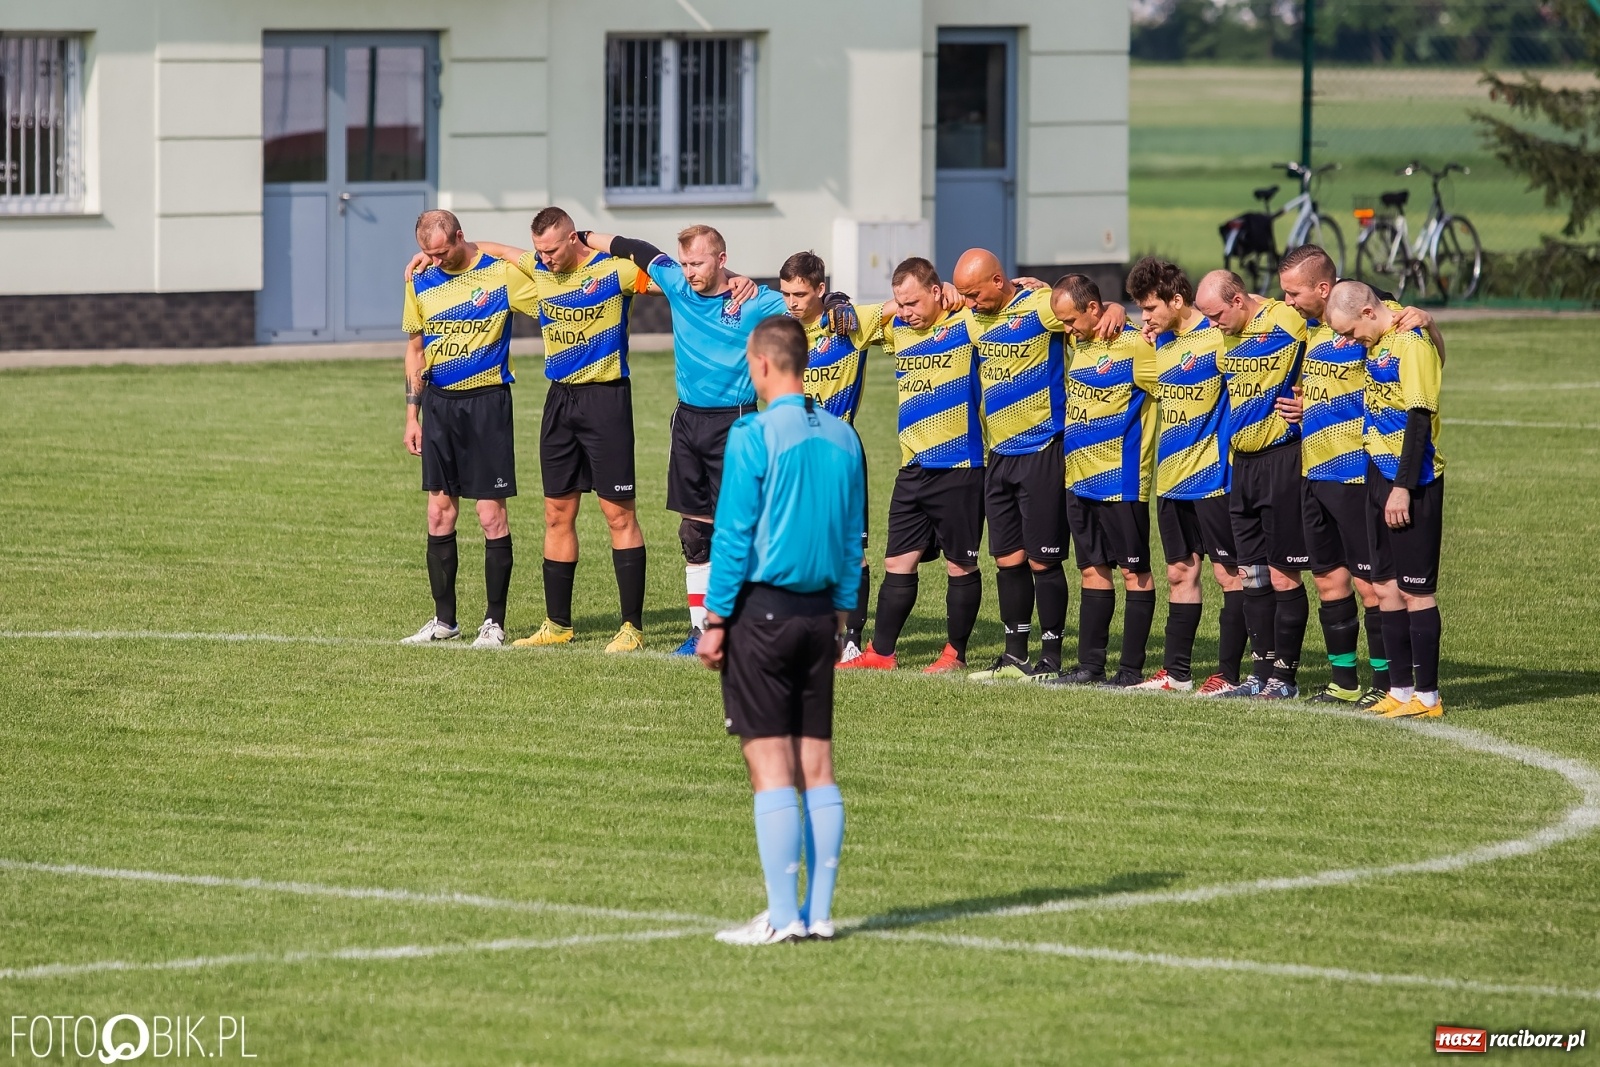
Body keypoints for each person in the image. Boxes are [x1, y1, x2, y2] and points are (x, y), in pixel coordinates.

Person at [406, 207, 653, 653]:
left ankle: (631, 627)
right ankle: (557, 624)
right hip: (558, 401)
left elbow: (671, 273)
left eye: (552, 249)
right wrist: (437, 256)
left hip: (606, 398)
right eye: (540, 251)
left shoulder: (612, 272)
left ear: (573, 239)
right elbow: (499, 251)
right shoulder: (537, 269)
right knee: (556, 513)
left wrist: (596, 237)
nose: (545, 258)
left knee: (618, 514)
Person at [697, 315, 866, 945]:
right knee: (817, 765)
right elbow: (851, 539)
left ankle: (782, 917)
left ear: (763, 364)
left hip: (763, 615)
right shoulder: (846, 437)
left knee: (770, 767)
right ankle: (818, 915)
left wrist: (716, 621)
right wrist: (841, 615)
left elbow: (733, 537)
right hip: (822, 616)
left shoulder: (752, 435)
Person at [579, 225, 795, 655]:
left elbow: (804, 305)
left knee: (740, 531)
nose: (690, 271)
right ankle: (701, 631)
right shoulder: (676, 284)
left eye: (697, 263)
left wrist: (838, 302)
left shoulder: (753, 300)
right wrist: (583, 236)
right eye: (685, 263)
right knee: (694, 533)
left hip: (736, 423)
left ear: (721, 259)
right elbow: (635, 249)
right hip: (688, 423)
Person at [1276, 245, 1443, 706]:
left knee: (1379, 585)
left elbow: (1425, 369)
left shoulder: (1382, 317)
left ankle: (1393, 683)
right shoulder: (1313, 326)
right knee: (1333, 580)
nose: (1287, 301)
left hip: (1363, 471)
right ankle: (1349, 683)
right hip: (1318, 469)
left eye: (1293, 293)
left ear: (1323, 288)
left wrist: (1431, 322)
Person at [837, 258, 986, 674]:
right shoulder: (899, 327)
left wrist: (961, 295)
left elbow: (1006, 305)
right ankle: (881, 653)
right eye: (900, 303)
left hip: (960, 465)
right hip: (913, 466)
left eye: (913, 302)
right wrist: (893, 307)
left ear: (937, 292)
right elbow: (851, 320)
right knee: (897, 562)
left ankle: (955, 654)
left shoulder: (967, 323)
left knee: (960, 564)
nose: (907, 312)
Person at [399, 210, 541, 648]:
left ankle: (493, 623)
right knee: (438, 513)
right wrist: (412, 415)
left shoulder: (499, 275)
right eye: (428, 254)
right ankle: (444, 621)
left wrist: (490, 247)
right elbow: (415, 349)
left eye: (443, 252)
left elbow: (544, 276)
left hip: (487, 404)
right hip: (439, 406)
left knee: (490, 515)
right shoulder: (420, 279)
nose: (436, 261)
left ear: (461, 236)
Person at [952, 250, 1078, 681]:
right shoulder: (973, 318)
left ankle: (1052, 657)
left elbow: (1085, 307)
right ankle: (1015, 656)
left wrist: (1116, 308)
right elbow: (929, 301)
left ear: (998, 280)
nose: (970, 303)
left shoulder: (1040, 306)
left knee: (1043, 561)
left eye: (975, 294)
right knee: (1008, 559)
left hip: (1043, 450)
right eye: (965, 296)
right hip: (999, 456)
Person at [1324, 281, 1447, 718]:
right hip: (1377, 472)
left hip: (1411, 479)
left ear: (1368, 313)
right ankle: (1399, 690)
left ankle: (1428, 698)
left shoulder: (1410, 341)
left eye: (1350, 332)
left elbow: (1419, 419)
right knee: (1385, 587)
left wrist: (1402, 487)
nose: (1348, 341)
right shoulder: (1378, 331)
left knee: (1416, 592)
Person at [1124, 257, 1246, 695]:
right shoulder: (1159, 343)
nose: (1145, 317)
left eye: (1150, 307)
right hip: (1171, 482)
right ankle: (1176, 674)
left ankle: (1228, 675)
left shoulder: (1217, 337)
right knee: (1179, 573)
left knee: (1230, 577)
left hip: (1214, 480)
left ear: (1177, 300)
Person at [1194, 269, 1310, 699]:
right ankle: (1260, 674)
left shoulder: (1286, 319)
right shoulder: (1221, 334)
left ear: (1239, 300)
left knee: (1282, 574)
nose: (1212, 324)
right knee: (1252, 576)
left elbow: (1344, 309)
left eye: (1217, 315)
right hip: (1241, 466)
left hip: (1281, 459)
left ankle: (1285, 678)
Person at [1044, 273, 1160, 688]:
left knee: (1134, 573)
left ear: (1093, 309)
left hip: (1121, 483)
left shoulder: (1137, 346)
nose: (1066, 329)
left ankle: (1130, 670)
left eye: (1070, 320)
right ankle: (1090, 666)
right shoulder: (1079, 340)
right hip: (1078, 481)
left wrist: (1123, 314)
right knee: (1092, 572)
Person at [778, 250, 885, 661]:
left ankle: (850, 639)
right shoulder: (781, 328)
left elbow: (905, 305)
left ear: (820, 289)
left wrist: (946, 290)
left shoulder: (848, 324)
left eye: (800, 294)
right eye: (786, 294)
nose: (792, 303)